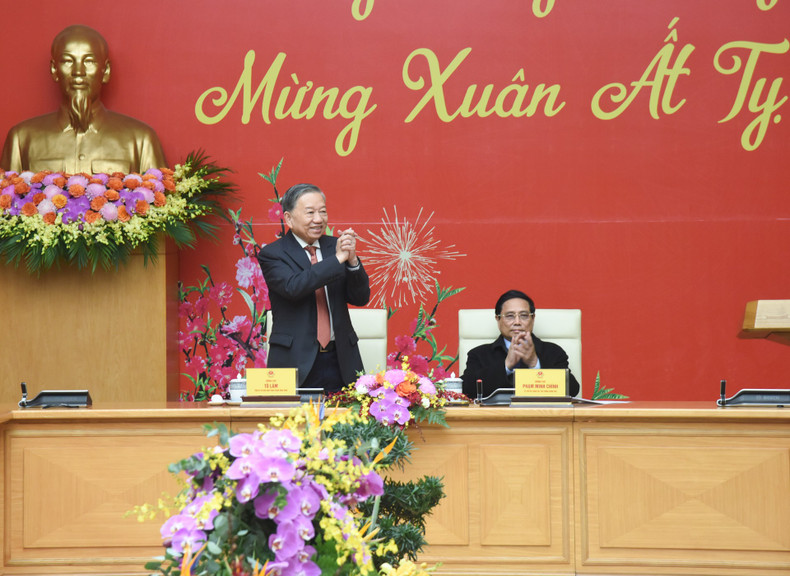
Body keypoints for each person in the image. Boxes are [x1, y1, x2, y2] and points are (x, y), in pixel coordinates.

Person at [0, 24, 165, 174]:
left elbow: (161, 203)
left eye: (89, 61)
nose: (78, 72)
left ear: (105, 71)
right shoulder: (21, 139)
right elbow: (5, 202)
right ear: (54, 70)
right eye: (67, 61)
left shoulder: (141, 140)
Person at [258, 183, 371, 393]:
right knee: (291, 424)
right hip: (294, 361)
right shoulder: (273, 254)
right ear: (289, 219)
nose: (318, 219)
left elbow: (360, 297)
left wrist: (352, 261)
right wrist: (338, 259)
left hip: (341, 359)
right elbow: (294, 287)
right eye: (310, 213)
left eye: (323, 211)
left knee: (347, 424)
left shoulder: (335, 247)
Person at [461, 289, 580, 399]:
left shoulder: (553, 352)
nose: (517, 322)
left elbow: (572, 390)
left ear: (533, 319)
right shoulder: (479, 354)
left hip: (542, 418)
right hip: (496, 419)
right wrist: (506, 366)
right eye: (510, 316)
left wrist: (534, 363)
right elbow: (467, 389)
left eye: (524, 316)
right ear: (498, 319)